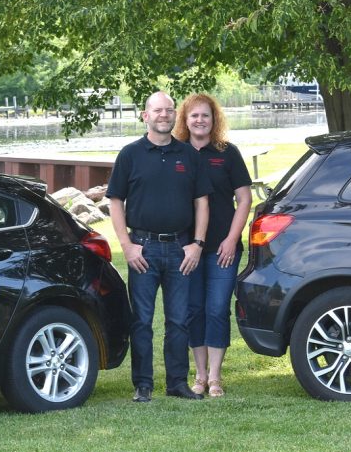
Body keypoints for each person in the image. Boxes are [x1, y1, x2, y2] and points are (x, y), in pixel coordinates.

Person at [107, 91, 212, 402]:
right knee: (141, 321)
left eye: (169, 110)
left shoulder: (188, 155)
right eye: (157, 111)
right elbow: (115, 201)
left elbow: (202, 202)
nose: (164, 115)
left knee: (179, 321)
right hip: (143, 249)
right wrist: (126, 246)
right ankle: (143, 385)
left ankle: (177, 383)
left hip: (181, 250)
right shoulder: (130, 155)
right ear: (145, 116)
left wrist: (197, 244)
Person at [174, 93, 252, 398]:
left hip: (223, 249)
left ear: (214, 119)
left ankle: (217, 377)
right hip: (187, 249)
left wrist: (232, 239)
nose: (199, 120)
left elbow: (244, 199)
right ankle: (200, 375)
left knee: (218, 309)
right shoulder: (177, 154)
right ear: (186, 120)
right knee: (194, 310)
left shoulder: (227, 153)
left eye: (205, 115)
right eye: (194, 116)